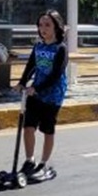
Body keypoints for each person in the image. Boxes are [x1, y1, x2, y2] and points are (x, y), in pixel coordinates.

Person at [16, 10, 68, 182]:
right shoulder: (38, 46)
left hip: (53, 94)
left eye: (47, 25)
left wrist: (37, 88)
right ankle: (29, 160)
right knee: (28, 126)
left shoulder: (60, 49)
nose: (43, 29)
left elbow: (56, 74)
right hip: (35, 92)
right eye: (40, 25)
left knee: (47, 129)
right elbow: (31, 65)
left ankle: (44, 163)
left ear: (56, 27)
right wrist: (22, 82)